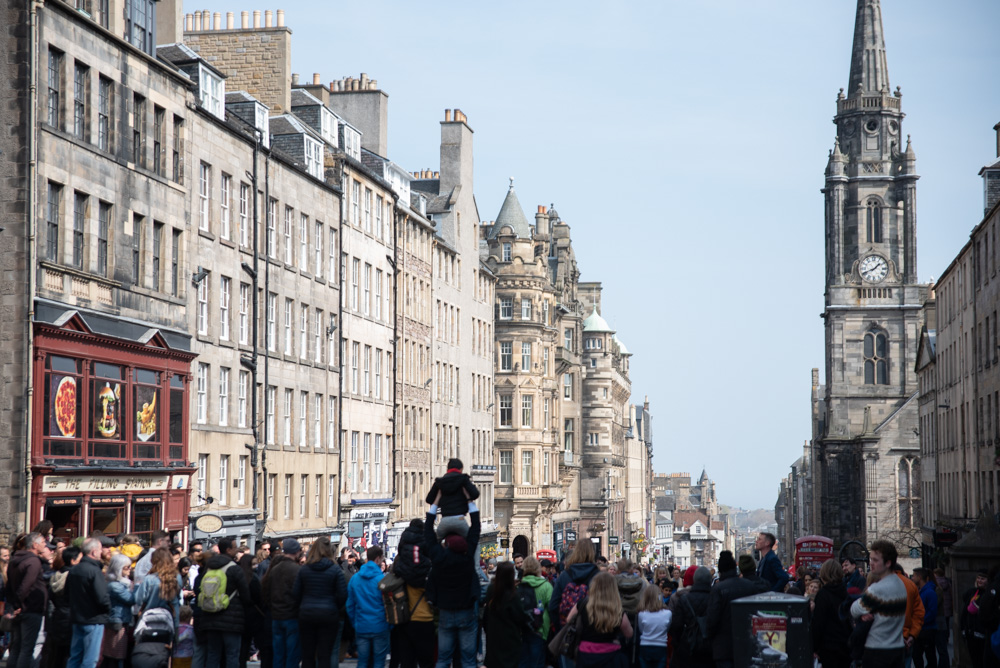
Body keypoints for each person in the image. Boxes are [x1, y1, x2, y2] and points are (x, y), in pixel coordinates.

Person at [424, 498, 482, 668]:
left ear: (447, 546)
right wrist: (470, 501)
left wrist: (434, 505)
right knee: (468, 660)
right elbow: (476, 528)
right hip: (466, 610)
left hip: (446, 611)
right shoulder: (467, 559)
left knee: (443, 659)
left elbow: (428, 532)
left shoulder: (439, 559)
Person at [195, 536, 251, 668]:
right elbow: (245, 595)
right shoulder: (235, 569)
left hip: (210, 617)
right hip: (232, 619)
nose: (237, 549)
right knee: (232, 654)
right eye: (235, 547)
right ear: (228, 550)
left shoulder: (209, 567)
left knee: (213, 654)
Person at [850, 539, 908, 668]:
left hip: (877, 650)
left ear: (888, 563)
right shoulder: (900, 584)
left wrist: (864, 613)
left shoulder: (877, 589)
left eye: (876, 560)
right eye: (871, 559)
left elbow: (854, 609)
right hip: (897, 648)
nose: (871, 563)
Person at [293, 537, 347, 668]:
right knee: (325, 655)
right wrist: (333, 606)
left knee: (308, 654)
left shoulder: (304, 570)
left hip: (307, 614)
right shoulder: (335, 570)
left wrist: (302, 606)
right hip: (328, 614)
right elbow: (343, 595)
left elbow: (296, 593)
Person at [706, 551, 764, 668]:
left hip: (723, 647)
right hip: (747, 643)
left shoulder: (718, 589)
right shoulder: (749, 586)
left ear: (720, 570)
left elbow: (712, 619)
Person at [391, 518, 435, 668]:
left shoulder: (399, 569)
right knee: (426, 662)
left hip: (403, 618)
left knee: (407, 662)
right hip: (424, 619)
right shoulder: (428, 571)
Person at [565, 571, 633, 668]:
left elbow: (569, 620)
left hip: (585, 653)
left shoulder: (583, 604)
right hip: (610, 655)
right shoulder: (617, 610)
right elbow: (629, 633)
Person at [5, 532, 51, 668]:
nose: (45, 544)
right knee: (26, 648)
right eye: (43, 542)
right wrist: (17, 605)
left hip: (20, 609)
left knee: (17, 647)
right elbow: (25, 585)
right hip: (30, 609)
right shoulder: (33, 561)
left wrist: (13, 605)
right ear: (35, 545)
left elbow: (10, 586)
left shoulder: (14, 560)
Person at [66, 537, 112, 668]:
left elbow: (66, 594)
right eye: (99, 550)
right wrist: (107, 609)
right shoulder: (94, 571)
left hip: (77, 618)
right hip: (93, 620)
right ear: (93, 552)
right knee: (90, 659)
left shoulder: (74, 569)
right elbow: (102, 598)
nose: (101, 552)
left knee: (75, 656)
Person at [346, 546, 390, 668]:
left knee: (363, 662)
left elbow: (350, 605)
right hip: (380, 625)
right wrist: (389, 624)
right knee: (379, 662)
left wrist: (355, 622)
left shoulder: (355, 579)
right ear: (378, 559)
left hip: (362, 625)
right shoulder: (382, 579)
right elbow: (389, 604)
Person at [481, 562, 530, 668]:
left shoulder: (491, 589)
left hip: (494, 638)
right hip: (510, 639)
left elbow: (486, 615)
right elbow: (520, 617)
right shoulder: (513, 595)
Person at [263, 538, 302, 668]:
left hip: (276, 616)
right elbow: (299, 594)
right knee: (292, 655)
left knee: (278, 655)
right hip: (291, 617)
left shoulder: (274, 569)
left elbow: (266, 592)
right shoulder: (296, 570)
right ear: (297, 552)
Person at [548, 539, 600, 636]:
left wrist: (560, 629)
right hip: (592, 632)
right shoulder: (599, 576)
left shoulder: (564, 576)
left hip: (568, 630)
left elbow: (553, 606)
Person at [40, 545, 81, 668]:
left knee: (56, 653)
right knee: (68, 654)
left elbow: (51, 597)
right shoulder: (73, 577)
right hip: (70, 618)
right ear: (73, 561)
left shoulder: (55, 576)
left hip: (57, 617)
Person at [668, 566, 714, 668]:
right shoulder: (715, 599)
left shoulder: (684, 599)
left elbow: (676, 625)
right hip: (709, 649)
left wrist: (677, 644)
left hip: (688, 647)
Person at [424, 458, 480, 538]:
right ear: (461, 469)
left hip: (445, 521)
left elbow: (429, 499)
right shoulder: (463, 480)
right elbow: (475, 494)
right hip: (459, 520)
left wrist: (440, 501)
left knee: (434, 543)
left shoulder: (440, 482)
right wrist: (466, 497)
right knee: (472, 540)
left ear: (447, 469)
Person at [811, 559, 851, 668]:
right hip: (845, 645)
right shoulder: (845, 593)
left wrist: (814, 647)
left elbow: (818, 623)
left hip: (828, 647)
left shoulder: (823, 595)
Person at [134, 547, 182, 632]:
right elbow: (179, 597)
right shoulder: (177, 577)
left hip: (150, 619)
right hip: (171, 618)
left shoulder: (149, 579)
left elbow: (138, 599)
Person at [518, 556, 553, 668]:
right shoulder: (546, 586)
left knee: (523, 662)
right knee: (537, 663)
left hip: (522, 630)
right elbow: (552, 607)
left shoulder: (519, 586)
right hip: (540, 630)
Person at [103, 553, 136, 668]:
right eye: (127, 567)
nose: (130, 570)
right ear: (118, 568)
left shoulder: (122, 583)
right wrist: (137, 587)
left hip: (122, 619)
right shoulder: (115, 585)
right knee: (117, 654)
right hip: (117, 621)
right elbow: (130, 599)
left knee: (118, 653)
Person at [893, 563, 925, 659]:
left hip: (888, 639)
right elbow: (919, 613)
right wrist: (912, 634)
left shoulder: (879, 583)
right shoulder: (910, 584)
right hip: (907, 636)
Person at [636, 584, 671, 668]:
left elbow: (641, 629)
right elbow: (667, 629)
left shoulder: (641, 614)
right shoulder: (668, 613)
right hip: (661, 645)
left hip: (645, 645)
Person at [960, 570, 989, 668]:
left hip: (981, 632)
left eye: (983, 579)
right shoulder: (972, 592)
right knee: (975, 659)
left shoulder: (988, 594)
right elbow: (965, 611)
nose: (980, 580)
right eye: (978, 578)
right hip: (971, 632)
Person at [911, 568, 938, 668]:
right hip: (921, 629)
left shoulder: (929, 592)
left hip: (927, 629)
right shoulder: (921, 591)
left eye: (914, 576)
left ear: (919, 577)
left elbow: (932, 612)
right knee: (917, 656)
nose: (912, 578)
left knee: (929, 655)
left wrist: (920, 622)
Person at [932, 568, 952, 668]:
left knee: (940, 646)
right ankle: (947, 637)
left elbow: (934, 603)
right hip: (946, 609)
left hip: (939, 614)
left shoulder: (936, 586)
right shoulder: (947, 582)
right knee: (946, 627)